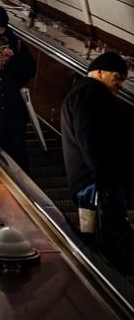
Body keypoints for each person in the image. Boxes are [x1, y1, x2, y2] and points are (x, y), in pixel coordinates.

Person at [61, 52, 134, 263]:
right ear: (100, 72)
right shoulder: (92, 94)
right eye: (117, 77)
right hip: (98, 183)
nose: (120, 84)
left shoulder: (80, 93)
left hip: (90, 182)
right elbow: (90, 138)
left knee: (93, 235)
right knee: (106, 239)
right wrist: (105, 179)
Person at [0, 5, 36, 173]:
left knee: (18, 149)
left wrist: (10, 63)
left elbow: (30, 70)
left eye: (0, 28)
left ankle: (25, 188)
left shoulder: (17, 44)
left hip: (14, 110)